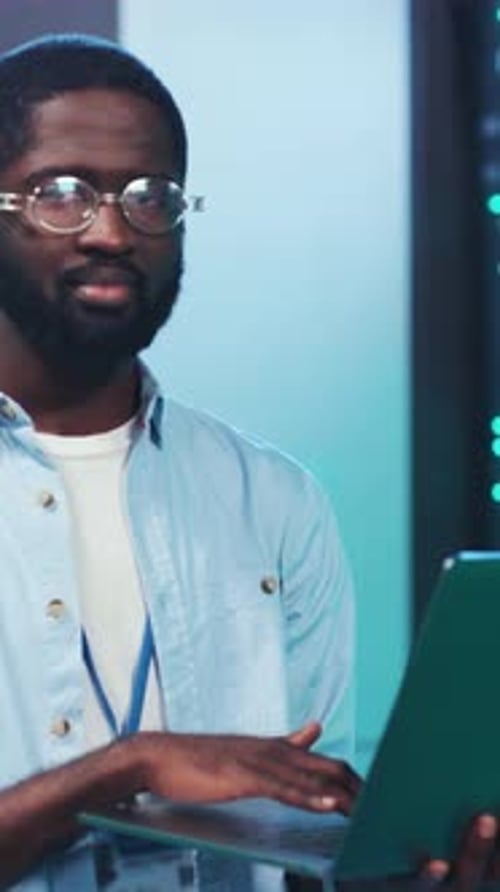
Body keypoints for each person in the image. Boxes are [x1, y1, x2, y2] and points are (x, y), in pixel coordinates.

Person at [0, 32, 495, 892]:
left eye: (152, 197)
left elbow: (304, 842)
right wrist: (130, 768)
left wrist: (416, 873)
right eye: (62, 194)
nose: (113, 231)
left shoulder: (273, 503)